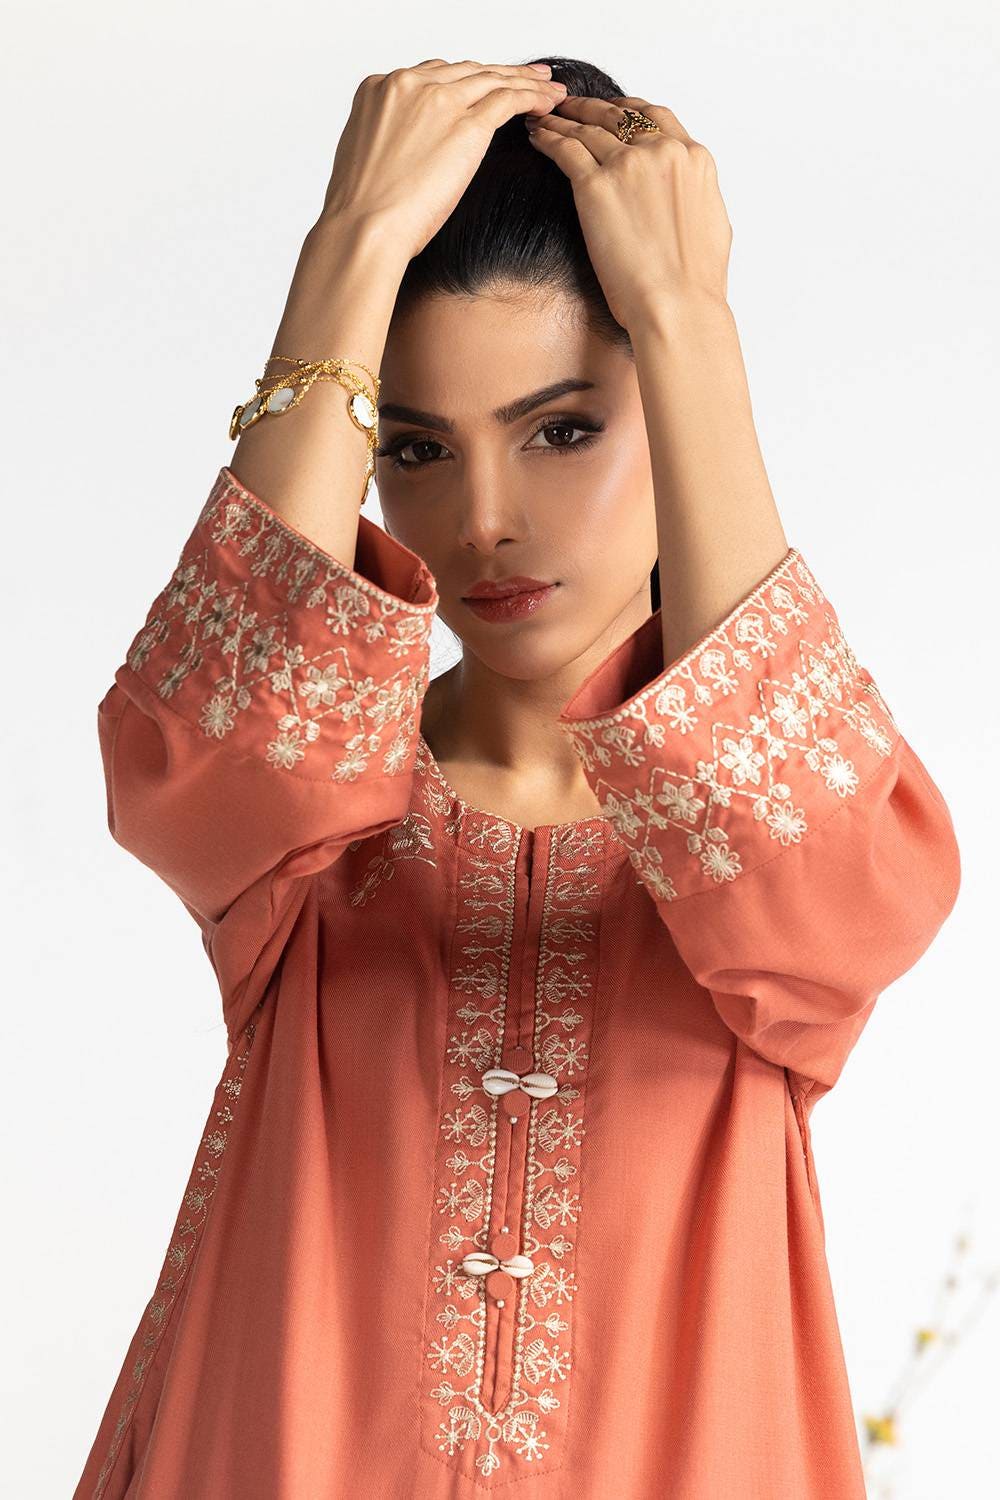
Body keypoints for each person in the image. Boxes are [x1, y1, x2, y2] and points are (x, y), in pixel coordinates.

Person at [75, 54, 961, 1500]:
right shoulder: (310, 833)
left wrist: (691, 320)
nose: (484, 519)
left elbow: (840, 890)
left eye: (563, 429)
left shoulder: (759, 845)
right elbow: (194, 756)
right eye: (416, 447)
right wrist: (350, 245)